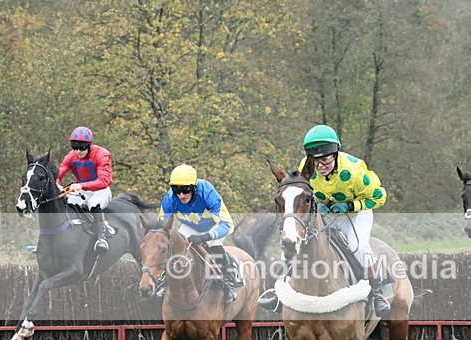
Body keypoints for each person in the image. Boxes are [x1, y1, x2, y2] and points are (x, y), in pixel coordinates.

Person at [260, 124, 391, 317]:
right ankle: (279, 292)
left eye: (325, 160)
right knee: (294, 241)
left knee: (359, 247)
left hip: (355, 214)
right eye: (316, 161)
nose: (320, 166)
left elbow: (380, 196)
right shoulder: (307, 166)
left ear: (335, 154)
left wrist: (350, 206)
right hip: (325, 211)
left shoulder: (354, 172)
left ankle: (378, 293)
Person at [158, 164, 241, 304]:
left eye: (185, 190)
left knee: (214, 244)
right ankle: (164, 281)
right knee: (173, 245)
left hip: (213, 227)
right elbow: (162, 226)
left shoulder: (207, 192)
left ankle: (228, 284)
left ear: (194, 187)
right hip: (190, 227)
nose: (181, 195)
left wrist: (205, 237)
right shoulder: (171, 198)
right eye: (176, 190)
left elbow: (227, 225)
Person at [56, 127, 113, 253]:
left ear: (89, 145)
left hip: (100, 190)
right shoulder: (71, 156)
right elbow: (60, 171)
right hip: (82, 190)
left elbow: (104, 181)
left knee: (93, 205)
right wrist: (57, 183)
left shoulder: (102, 154)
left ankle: (102, 239)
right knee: (67, 202)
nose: (78, 151)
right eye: (75, 148)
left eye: (82, 148)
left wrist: (82, 186)